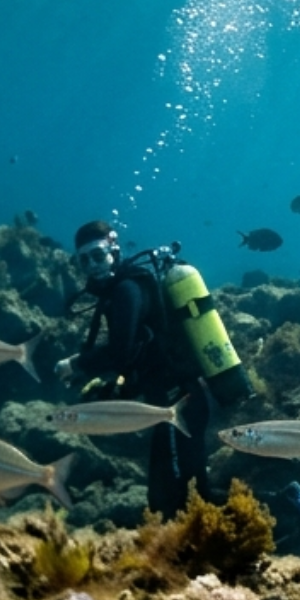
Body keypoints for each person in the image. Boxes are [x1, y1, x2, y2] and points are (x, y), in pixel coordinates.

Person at [58, 221, 214, 516]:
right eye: (84, 259)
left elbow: (120, 350)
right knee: (180, 489)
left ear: (114, 251)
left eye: (99, 255)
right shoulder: (122, 290)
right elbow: (138, 354)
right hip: (172, 400)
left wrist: (76, 363)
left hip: (179, 400)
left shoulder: (128, 289)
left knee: (174, 496)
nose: (93, 265)